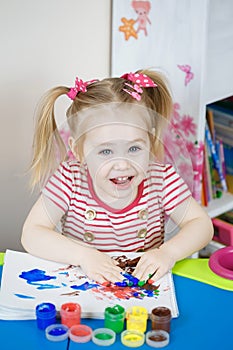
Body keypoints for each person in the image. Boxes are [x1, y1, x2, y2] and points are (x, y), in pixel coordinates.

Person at [21, 69, 213, 284]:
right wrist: (84, 256)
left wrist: (168, 252)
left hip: (141, 287)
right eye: (105, 151)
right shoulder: (69, 179)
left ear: (149, 140)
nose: (122, 164)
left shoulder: (162, 180)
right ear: (79, 151)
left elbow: (202, 225)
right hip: (82, 286)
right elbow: (32, 234)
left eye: (134, 149)